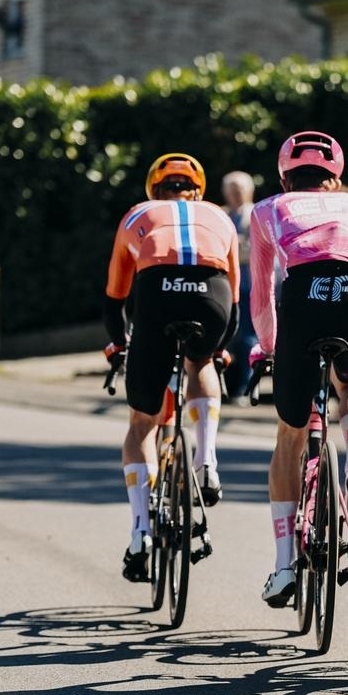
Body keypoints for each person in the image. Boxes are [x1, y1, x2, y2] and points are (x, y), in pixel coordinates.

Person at [249, 130, 348, 608]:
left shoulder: (267, 210)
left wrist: (267, 349)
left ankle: (284, 565)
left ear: (285, 176)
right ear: (336, 176)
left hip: (301, 302)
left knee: (290, 435)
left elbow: (262, 293)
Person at [104, 152, 240, 583]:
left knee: (142, 423)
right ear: (197, 189)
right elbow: (233, 297)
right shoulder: (219, 216)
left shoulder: (136, 214)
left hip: (157, 292)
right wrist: (219, 348)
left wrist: (118, 347)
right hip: (212, 294)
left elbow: (114, 297)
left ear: (154, 189)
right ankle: (207, 458)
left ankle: (140, 530)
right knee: (201, 362)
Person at [221, 171, 259, 397]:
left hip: (250, 286)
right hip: (226, 288)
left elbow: (254, 251)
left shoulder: (256, 214)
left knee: (248, 339)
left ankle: (247, 386)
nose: (235, 194)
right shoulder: (221, 215)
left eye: (239, 189)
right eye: (231, 189)